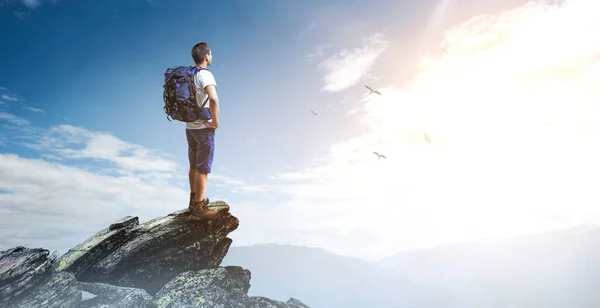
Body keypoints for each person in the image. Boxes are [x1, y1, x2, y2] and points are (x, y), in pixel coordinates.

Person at [186, 42, 219, 218]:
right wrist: (215, 121)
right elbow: (213, 99)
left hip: (189, 127)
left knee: (193, 164)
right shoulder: (205, 75)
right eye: (211, 54)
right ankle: (199, 206)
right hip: (203, 128)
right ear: (206, 56)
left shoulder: (189, 76)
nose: (211, 56)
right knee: (203, 168)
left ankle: (193, 200)